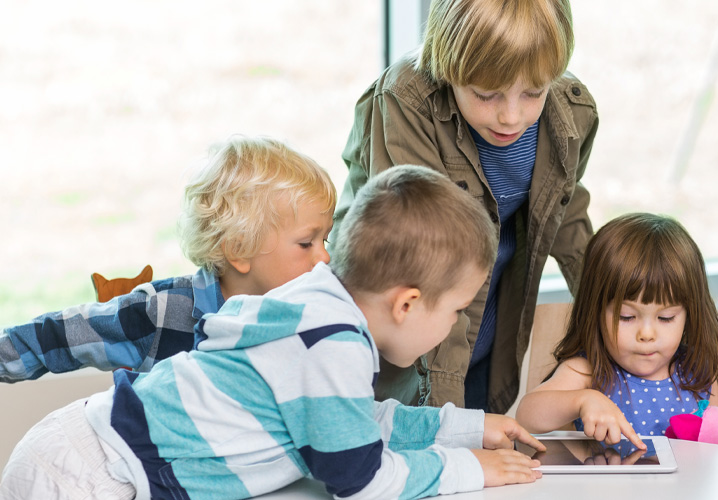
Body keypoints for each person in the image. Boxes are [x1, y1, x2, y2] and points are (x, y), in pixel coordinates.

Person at [0, 165, 546, 500]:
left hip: (85, 450)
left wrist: (466, 428)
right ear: (407, 303)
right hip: (91, 474)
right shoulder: (331, 341)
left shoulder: (319, 308)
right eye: (455, 310)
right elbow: (361, 479)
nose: (456, 325)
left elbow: (352, 423)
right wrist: (467, 468)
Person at [335, 0, 597, 413]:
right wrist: (451, 429)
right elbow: (423, 266)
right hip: (398, 356)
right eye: (486, 94)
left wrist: (612, 322)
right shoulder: (404, 103)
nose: (512, 117)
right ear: (447, 62)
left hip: (481, 342)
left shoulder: (572, 114)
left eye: (534, 92)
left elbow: (568, 221)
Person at [0, 135, 335, 382]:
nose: (325, 256)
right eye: (307, 243)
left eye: (326, 238)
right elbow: (63, 335)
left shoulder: (311, 314)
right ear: (238, 249)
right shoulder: (164, 311)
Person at [516, 213, 718, 445]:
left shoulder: (696, 369)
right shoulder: (588, 370)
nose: (646, 334)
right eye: (627, 317)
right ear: (595, 311)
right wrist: (583, 400)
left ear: (690, 314)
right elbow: (528, 415)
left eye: (666, 318)